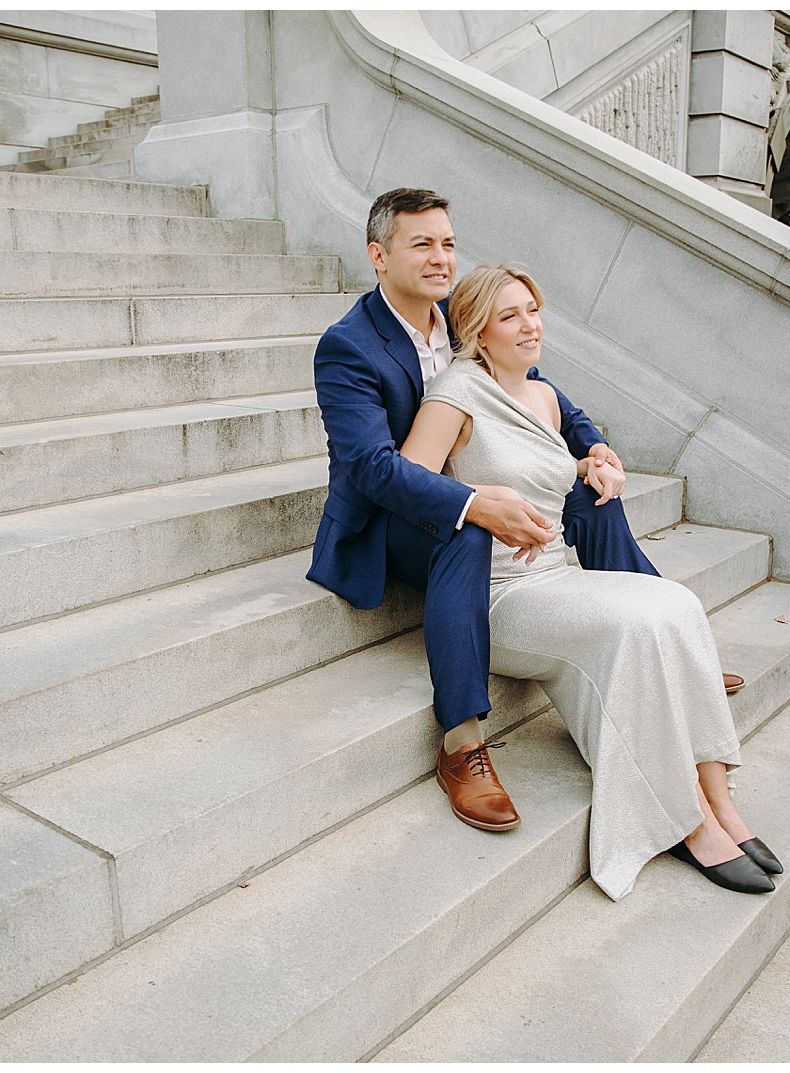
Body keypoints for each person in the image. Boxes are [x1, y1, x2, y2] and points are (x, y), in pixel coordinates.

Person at [307, 188, 741, 836]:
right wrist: (474, 501)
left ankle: (667, 637)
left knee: (586, 493)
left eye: (448, 242)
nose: (440, 257)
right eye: (421, 243)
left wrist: (592, 446)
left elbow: (536, 385)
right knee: (468, 526)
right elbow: (374, 470)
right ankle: (461, 743)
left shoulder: (459, 310)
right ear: (378, 255)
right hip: (386, 520)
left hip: (457, 475)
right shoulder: (349, 346)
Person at [397, 262, 780, 898]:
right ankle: (687, 824)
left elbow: (547, 467)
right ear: (476, 330)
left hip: (556, 575)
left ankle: (723, 806)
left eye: (534, 310)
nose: (529, 325)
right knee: (636, 624)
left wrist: (589, 466)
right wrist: (481, 499)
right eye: (509, 315)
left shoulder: (543, 395)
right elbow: (414, 482)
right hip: (497, 593)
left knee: (676, 605)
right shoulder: (456, 394)